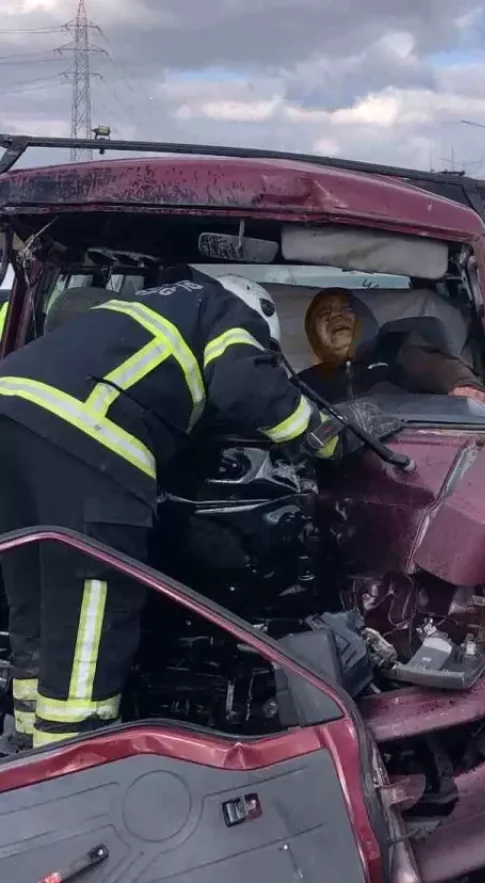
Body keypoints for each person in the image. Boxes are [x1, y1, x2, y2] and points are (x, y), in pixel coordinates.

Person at [0, 268, 342, 750]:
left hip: (10, 413)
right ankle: (72, 753)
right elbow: (245, 388)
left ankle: (27, 739)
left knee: (35, 595)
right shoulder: (228, 310)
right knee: (91, 602)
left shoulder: (145, 307)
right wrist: (326, 439)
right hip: (84, 433)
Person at [297, 287, 485, 405]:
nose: (336, 316)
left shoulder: (395, 346)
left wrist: (463, 384)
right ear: (313, 335)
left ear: (363, 317)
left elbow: (432, 364)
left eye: (346, 309)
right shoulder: (305, 384)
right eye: (324, 314)